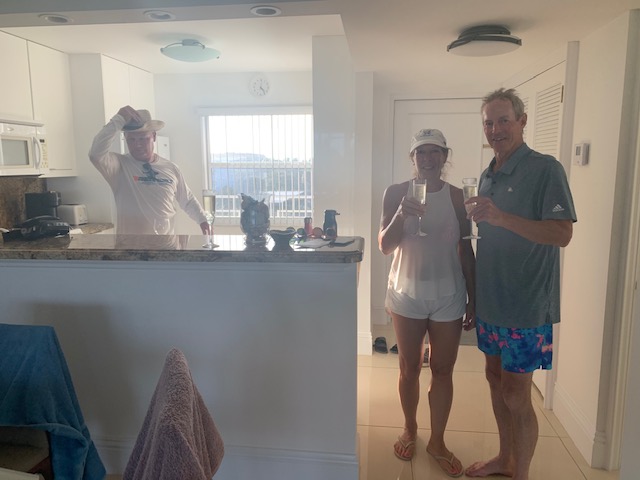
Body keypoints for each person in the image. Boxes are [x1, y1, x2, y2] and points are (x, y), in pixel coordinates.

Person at [464, 88, 577, 480]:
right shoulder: (487, 174)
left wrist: (501, 217)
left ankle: (521, 473)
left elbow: (562, 233)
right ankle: (505, 459)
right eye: (489, 123)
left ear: (522, 121)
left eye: (504, 121)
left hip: (526, 305)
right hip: (492, 301)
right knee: (495, 382)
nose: (496, 129)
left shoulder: (546, 169)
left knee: (516, 394)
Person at [378, 128, 476, 477]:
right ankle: (410, 429)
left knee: (443, 369)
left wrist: (474, 298)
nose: (428, 159)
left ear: (445, 157)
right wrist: (400, 215)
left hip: (449, 294)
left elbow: (466, 248)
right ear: (413, 158)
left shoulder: (457, 197)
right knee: (409, 368)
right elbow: (385, 246)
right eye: (421, 152)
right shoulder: (395, 192)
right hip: (406, 293)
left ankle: (438, 441)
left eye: (435, 152)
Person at [89, 105, 210, 235]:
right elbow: (95, 154)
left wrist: (202, 220)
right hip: (131, 246)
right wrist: (118, 119)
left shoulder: (171, 168)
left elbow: (187, 199)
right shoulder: (118, 166)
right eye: (131, 140)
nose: (137, 145)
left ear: (154, 136)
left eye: (143, 138)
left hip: (166, 245)